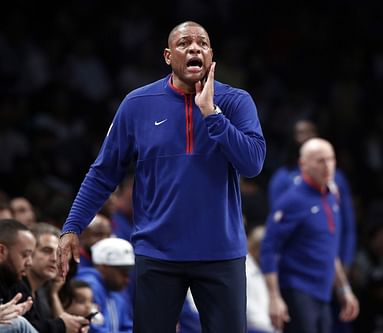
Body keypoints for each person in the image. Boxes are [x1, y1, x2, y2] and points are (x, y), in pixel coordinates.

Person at [57, 20, 265, 333]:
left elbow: (252, 165)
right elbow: (103, 173)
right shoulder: (137, 104)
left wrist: (212, 114)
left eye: (202, 43)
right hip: (158, 254)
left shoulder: (235, 101)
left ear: (211, 55)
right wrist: (73, 225)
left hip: (221, 254)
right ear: (168, 56)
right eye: (184, 43)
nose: (194, 47)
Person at [260, 138, 359, 333]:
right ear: (303, 164)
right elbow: (269, 248)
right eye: (320, 160)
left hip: (323, 292)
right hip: (297, 288)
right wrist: (274, 297)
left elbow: (329, 250)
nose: (328, 166)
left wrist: (344, 289)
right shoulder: (292, 200)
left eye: (331, 159)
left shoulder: (331, 196)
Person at [22, 223, 89, 333]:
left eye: (59, 253)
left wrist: (54, 295)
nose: (54, 259)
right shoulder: (16, 289)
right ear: (29, 252)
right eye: (46, 251)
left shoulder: (43, 291)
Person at [74, 237, 134, 333]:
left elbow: (127, 326)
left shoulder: (116, 291)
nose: (127, 280)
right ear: (104, 267)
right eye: (123, 272)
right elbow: (93, 330)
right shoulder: (89, 287)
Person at [0, 219, 38, 333]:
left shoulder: (18, 284)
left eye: (32, 255)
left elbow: (36, 324)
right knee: (19, 324)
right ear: (1, 251)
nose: (30, 262)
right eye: (25, 255)